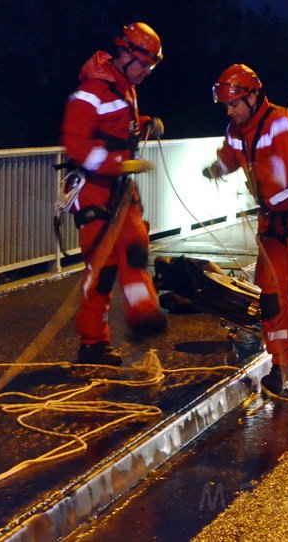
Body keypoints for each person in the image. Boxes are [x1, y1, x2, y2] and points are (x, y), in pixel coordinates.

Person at [203, 63, 288, 395]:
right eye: (226, 106)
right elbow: (232, 157)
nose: (230, 110)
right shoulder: (236, 130)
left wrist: (267, 203)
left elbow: (284, 174)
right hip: (274, 213)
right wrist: (216, 169)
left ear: (252, 97)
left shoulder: (280, 123)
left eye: (234, 103)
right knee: (271, 293)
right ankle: (281, 365)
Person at [60, 22, 168, 366]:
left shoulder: (125, 88)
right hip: (94, 190)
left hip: (121, 190)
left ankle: (143, 318)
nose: (146, 73)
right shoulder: (90, 92)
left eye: (151, 67)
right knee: (103, 268)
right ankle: (92, 343)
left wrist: (147, 122)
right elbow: (76, 145)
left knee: (136, 251)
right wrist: (118, 165)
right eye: (144, 65)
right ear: (124, 55)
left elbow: (120, 127)